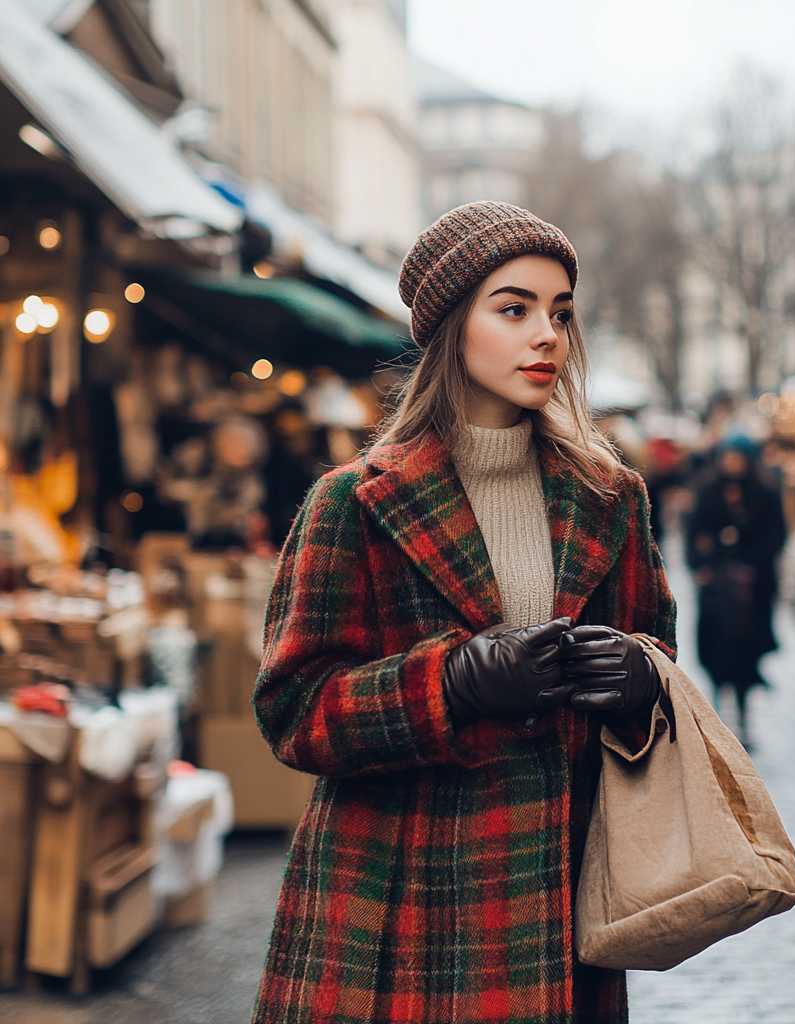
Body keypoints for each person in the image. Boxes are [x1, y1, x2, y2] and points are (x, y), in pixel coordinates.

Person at [250, 202, 677, 1024]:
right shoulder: (353, 502)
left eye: (559, 314)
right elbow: (294, 711)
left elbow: (659, 663)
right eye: (513, 309)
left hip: (560, 898)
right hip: (401, 905)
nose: (547, 335)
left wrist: (638, 677)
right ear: (452, 328)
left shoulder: (610, 495)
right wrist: (450, 684)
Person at [686, 435, 786, 749]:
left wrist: (750, 562)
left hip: (751, 593)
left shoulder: (764, 494)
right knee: (716, 650)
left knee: (745, 654)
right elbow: (694, 535)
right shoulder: (707, 492)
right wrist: (704, 563)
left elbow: (775, 536)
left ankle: (742, 715)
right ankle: (716, 713)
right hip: (716, 590)